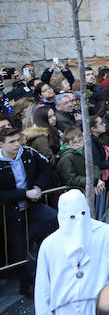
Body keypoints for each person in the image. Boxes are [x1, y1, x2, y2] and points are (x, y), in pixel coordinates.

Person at [34, 190, 109, 315]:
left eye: (83, 213)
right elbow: (42, 290)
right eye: (72, 217)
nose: (78, 222)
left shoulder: (104, 233)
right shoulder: (49, 245)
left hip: (100, 306)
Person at [0, 127, 58, 297]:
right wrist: (23, 194)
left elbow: (46, 167)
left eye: (18, 140)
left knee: (52, 220)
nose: (17, 144)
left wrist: (38, 186)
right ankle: (27, 287)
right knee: (19, 249)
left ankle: (48, 269)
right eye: (12, 142)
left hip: (33, 206)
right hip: (10, 213)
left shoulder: (28, 153)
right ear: (1, 144)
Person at [55, 128, 104, 195]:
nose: (79, 144)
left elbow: (94, 166)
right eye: (74, 142)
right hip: (73, 194)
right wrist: (94, 181)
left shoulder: (82, 151)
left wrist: (96, 181)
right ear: (67, 144)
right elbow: (71, 179)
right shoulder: (67, 157)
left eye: (80, 140)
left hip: (85, 188)